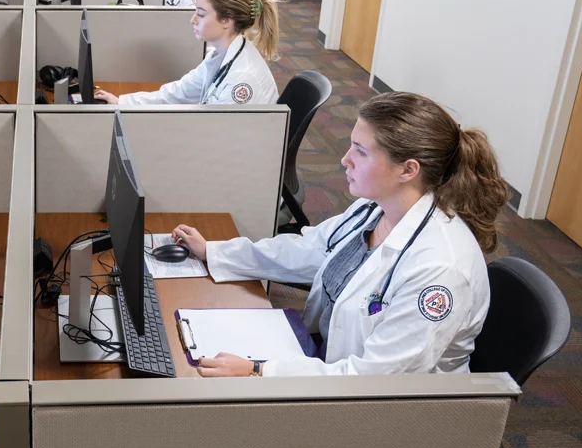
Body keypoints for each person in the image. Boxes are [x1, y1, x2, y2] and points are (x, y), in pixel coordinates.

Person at [170, 92, 507, 378]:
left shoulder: (440, 268)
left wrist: (259, 371)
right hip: (327, 361)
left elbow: (375, 378)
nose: (345, 160)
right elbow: (309, 250)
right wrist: (214, 251)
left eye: (361, 151)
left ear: (408, 169)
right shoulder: (376, 208)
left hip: (383, 408)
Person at [95, 0, 279, 106]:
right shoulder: (220, 55)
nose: (193, 20)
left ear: (226, 20)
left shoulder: (243, 78)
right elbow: (180, 92)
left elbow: (222, 134)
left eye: (201, 14)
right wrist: (122, 101)